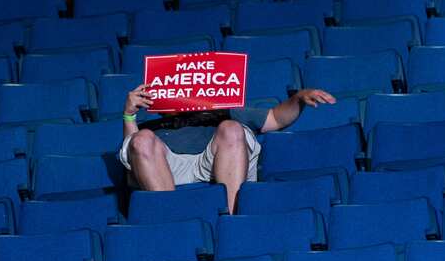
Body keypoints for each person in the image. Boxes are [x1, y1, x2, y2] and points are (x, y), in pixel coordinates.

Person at [120, 83, 336, 212]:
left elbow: (276, 119)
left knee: (231, 128)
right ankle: (171, 219)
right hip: (169, 167)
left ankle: (232, 218)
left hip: (218, 158)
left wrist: (298, 98)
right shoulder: (149, 127)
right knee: (141, 139)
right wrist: (129, 115)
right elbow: (130, 157)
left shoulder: (224, 112)